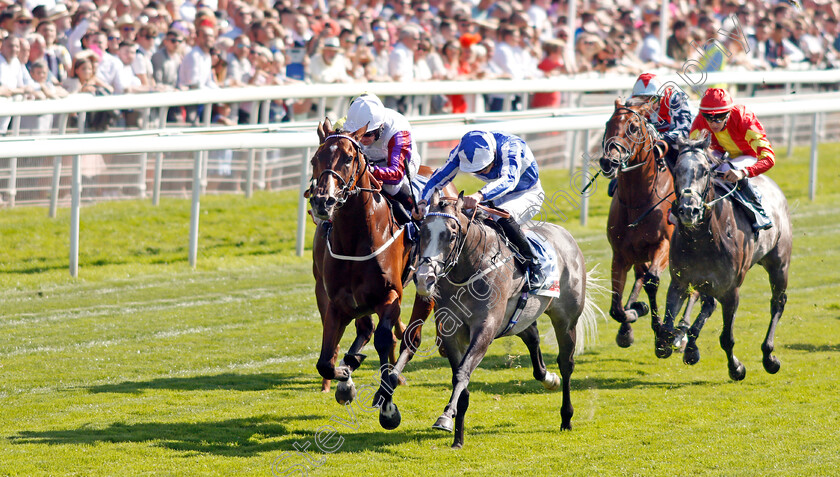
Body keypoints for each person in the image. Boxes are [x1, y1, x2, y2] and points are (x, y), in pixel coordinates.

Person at [416, 130, 546, 291]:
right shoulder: (462, 151)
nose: (480, 173)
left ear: (492, 153)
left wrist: (480, 195)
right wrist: (422, 202)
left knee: (500, 216)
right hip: (494, 195)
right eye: (475, 171)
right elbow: (439, 178)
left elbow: (509, 180)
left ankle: (534, 264)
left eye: (483, 168)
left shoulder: (511, 147)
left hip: (526, 193)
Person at [689, 87, 774, 232]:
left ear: (728, 113)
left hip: (748, 155)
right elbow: (692, 150)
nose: (713, 123)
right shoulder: (701, 119)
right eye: (708, 117)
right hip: (721, 153)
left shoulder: (744, 118)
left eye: (719, 117)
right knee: (694, 165)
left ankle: (759, 212)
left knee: (726, 169)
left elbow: (769, 158)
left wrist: (744, 172)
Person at [608, 72, 692, 197]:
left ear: (660, 97)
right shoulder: (631, 103)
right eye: (640, 99)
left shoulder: (676, 98)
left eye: (650, 99)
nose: (645, 104)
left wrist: (658, 138)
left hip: (681, 142)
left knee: (686, 168)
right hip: (652, 142)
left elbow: (684, 132)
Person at [341, 93, 420, 225]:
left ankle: (414, 217)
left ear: (381, 127)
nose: (362, 139)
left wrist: (367, 170)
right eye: (358, 134)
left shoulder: (398, 132)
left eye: (368, 134)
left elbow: (396, 174)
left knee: (391, 187)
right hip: (367, 161)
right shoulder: (352, 124)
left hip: (400, 165)